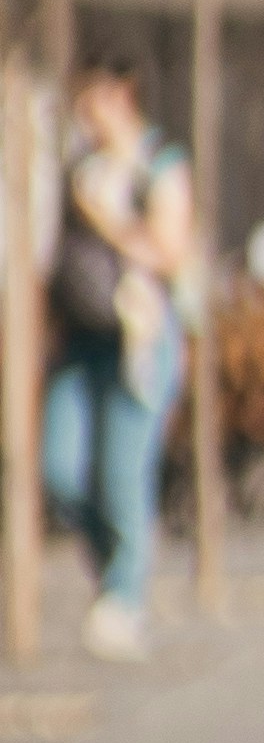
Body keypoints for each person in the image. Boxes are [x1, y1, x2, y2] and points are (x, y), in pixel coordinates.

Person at [43, 55, 195, 664]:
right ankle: (112, 566)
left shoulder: (158, 165)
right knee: (60, 464)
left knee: (123, 472)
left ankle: (125, 598)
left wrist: (108, 220)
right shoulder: (78, 166)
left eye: (95, 98)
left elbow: (170, 252)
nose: (87, 111)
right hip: (81, 338)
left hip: (140, 336)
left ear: (124, 93)